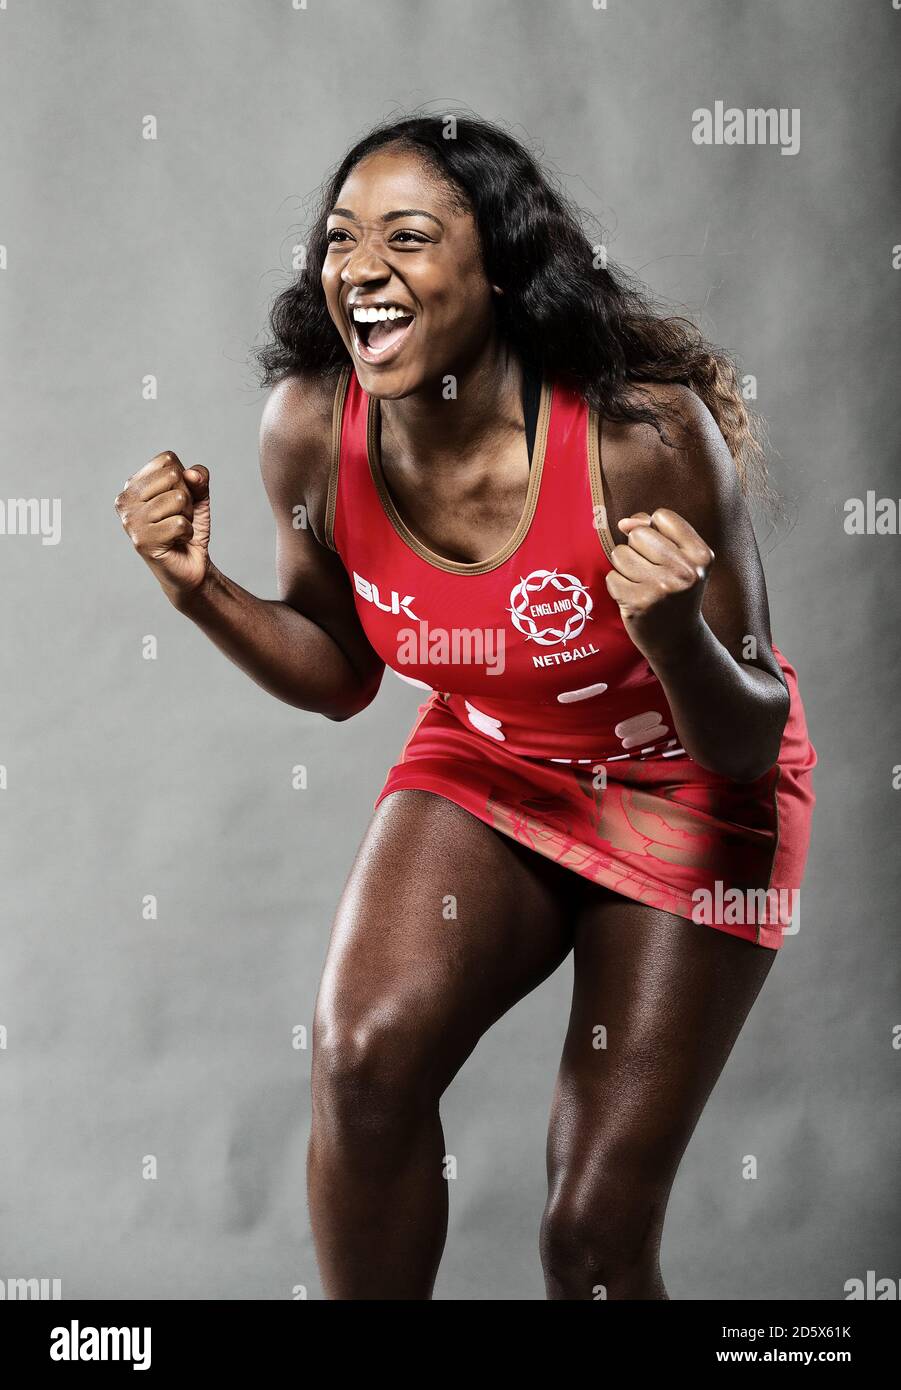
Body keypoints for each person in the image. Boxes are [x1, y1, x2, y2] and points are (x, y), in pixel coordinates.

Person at [114, 115, 816, 1300]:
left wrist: (671, 636)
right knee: (362, 1060)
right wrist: (202, 594)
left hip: (688, 785)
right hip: (493, 761)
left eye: (407, 237)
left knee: (589, 1233)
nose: (361, 269)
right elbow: (342, 671)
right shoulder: (308, 430)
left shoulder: (639, 439)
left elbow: (745, 733)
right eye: (341, 240)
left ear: (496, 268)